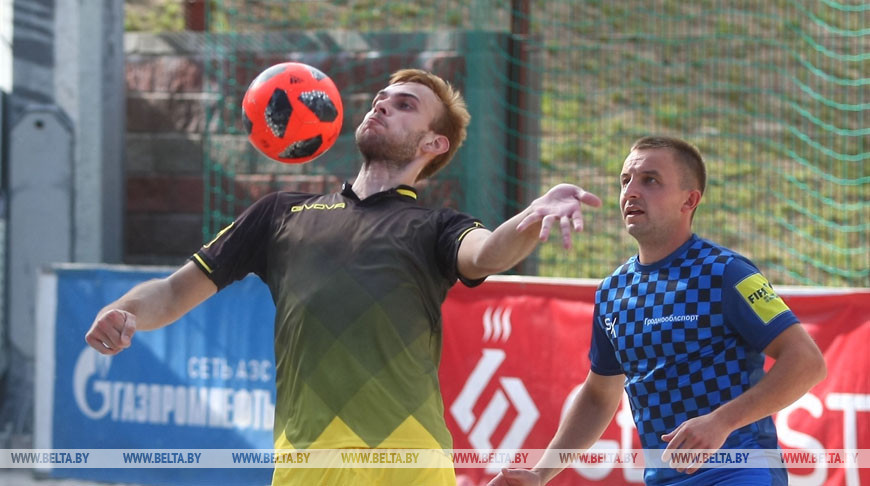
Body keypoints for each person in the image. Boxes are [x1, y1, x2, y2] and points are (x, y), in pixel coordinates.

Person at [85, 69, 601, 486]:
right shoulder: (279, 213)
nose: (381, 104)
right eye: (381, 97)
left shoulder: (437, 226)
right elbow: (175, 291)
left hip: (409, 461)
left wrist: (532, 215)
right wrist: (126, 311)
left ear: (433, 143)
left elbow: (487, 253)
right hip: (306, 461)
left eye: (405, 105)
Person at [489, 136, 827, 486]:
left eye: (650, 180)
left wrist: (722, 421)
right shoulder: (612, 291)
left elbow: (807, 362)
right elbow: (597, 396)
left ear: (689, 200)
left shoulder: (728, 273)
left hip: (739, 471)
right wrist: (541, 473)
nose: (631, 191)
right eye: (625, 180)